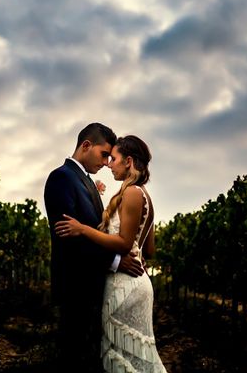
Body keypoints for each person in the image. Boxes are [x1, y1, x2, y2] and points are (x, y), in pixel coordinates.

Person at [55, 135, 167, 372]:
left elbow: (125, 244)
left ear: (128, 161)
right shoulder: (144, 194)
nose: (109, 164)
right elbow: (148, 249)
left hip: (124, 286)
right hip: (137, 281)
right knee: (137, 356)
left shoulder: (132, 193)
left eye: (113, 158)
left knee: (122, 357)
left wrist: (83, 228)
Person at [44, 123, 145, 372]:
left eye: (111, 157)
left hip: (93, 287)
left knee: (90, 358)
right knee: (74, 358)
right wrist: (116, 262)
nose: (107, 162)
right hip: (75, 287)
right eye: (104, 154)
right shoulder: (61, 177)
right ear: (86, 145)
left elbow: (95, 229)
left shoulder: (86, 181)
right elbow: (70, 237)